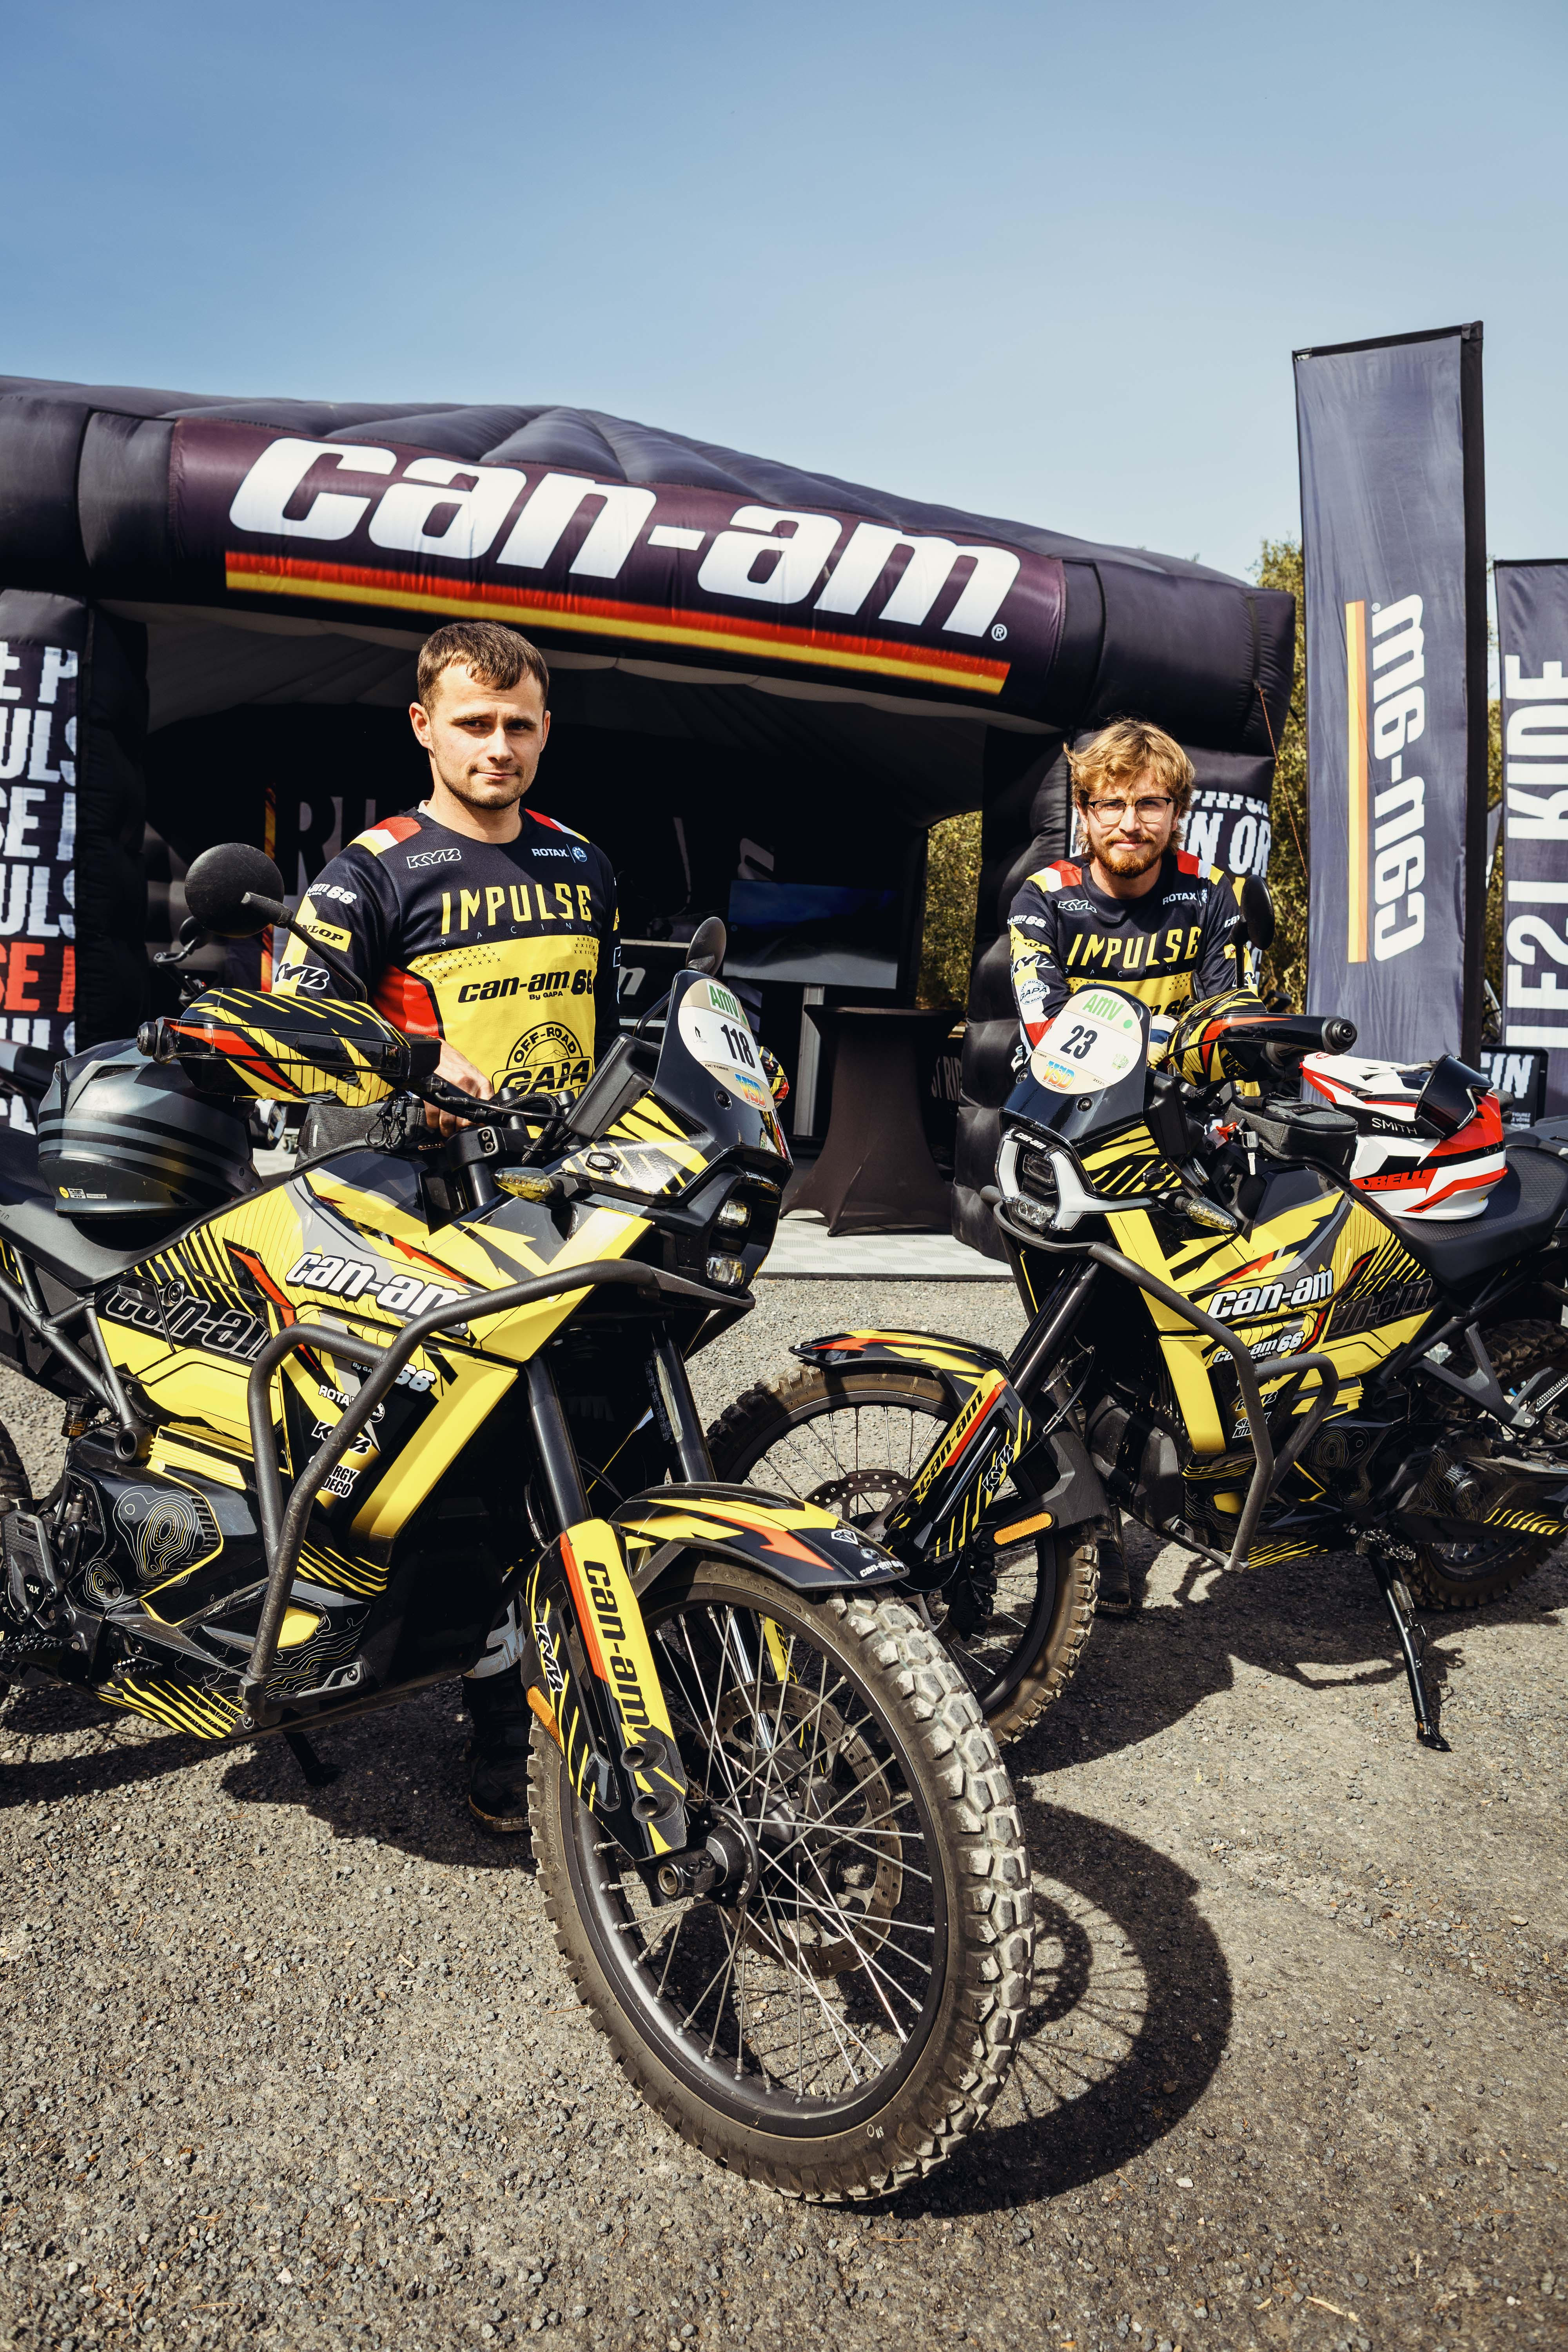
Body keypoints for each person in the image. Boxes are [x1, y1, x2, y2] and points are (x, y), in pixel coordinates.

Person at [274, 619, 617, 1833]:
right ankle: (490, 1735)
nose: (501, 746)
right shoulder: (367, 870)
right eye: (475, 723)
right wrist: (413, 1065)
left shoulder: (583, 863)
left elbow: (603, 1024)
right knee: (464, 1492)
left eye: (521, 724)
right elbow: (294, 1033)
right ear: (424, 726)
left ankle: (602, 1692)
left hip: (562, 1212)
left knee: (587, 1465)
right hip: (412, 1217)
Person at [1006, 717, 1247, 1616]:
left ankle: (1196, 1496)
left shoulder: (1216, 895)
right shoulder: (1043, 897)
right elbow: (1049, 1034)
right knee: (1066, 1364)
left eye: (1149, 803)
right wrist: (1175, 1043)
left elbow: (1228, 1032)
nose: (1129, 823)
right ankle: (1095, 1537)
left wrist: (1177, 1048)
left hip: (1183, 1167)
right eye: (1109, 804)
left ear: (1176, 811)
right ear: (1084, 811)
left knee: (1173, 1353)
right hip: (1064, 1161)